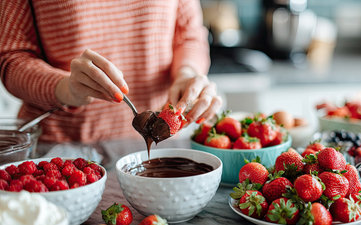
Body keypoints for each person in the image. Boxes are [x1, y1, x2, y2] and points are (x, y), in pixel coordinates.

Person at [0, 0, 221, 143]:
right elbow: (12, 57)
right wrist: (65, 89)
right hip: (64, 148)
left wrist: (187, 72)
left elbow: (189, 36)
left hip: (164, 141)